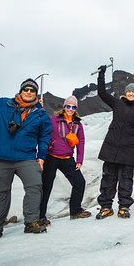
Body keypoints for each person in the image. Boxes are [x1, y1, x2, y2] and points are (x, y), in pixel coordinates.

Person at [0, 67, 52, 241]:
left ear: (36, 94)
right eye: (26, 89)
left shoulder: (41, 114)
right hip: (1, 158)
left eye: (33, 90)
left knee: (35, 187)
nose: (29, 92)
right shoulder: (3, 105)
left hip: (27, 158)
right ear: (21, 90)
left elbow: (45, 137)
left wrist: (41, 157)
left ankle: (31, 222)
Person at [96, 65, 134, 219]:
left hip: (129, 149)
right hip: (111, 147)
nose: (131, 93)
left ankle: (124, 207)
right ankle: (106, 207)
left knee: (126, 179)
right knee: (108, 178)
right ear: (125, 93)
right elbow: (102, 93)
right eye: (129, 91)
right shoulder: (117, 103)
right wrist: (101, 75)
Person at [39, 95, 89, 225]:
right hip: (51, 157)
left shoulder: (77, 124)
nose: (70, 109)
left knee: (79, 182)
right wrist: (38, 108)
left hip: (67, 158)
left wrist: (79, 160)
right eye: (68, 106)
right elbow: (41, 125)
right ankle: (40, 216)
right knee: (46, 187)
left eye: (73, 107)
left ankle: (75, 211)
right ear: (64, 106)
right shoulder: (53, 120)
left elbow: (81, 142)